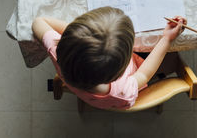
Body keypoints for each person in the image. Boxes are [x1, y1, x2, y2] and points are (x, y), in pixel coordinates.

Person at [32, 6, 187, 110]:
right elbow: (145, 74)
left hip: (87, 93)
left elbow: (38, 22)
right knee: (171, 60)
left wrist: (80, 36)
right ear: (119, 72)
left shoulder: (57, 51)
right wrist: (166, 39)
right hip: (127, 84)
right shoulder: (123, 90)